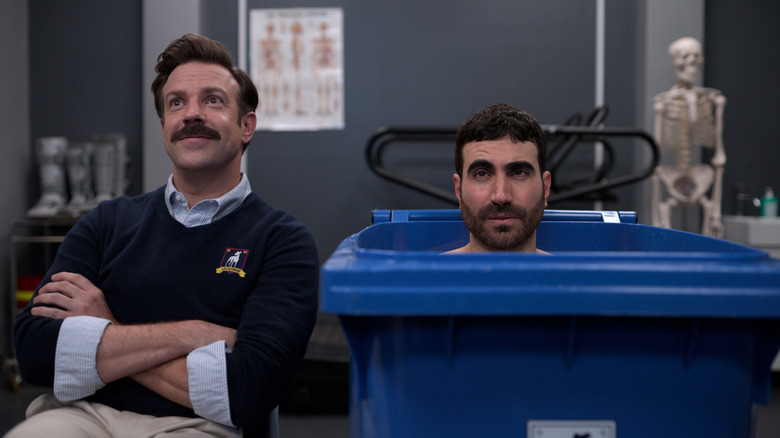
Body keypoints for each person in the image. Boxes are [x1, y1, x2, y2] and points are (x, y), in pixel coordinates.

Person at [8, 34, 319, 438]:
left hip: (198, 425)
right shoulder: (106, 222)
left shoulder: (282, 240)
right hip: (81, 414)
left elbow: (249, 388)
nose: (192, 114)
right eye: (177, 103)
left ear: (246, 126)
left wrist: (105, 329)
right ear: (164, 127)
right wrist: (196, 334)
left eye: (212, 100)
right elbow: (35, 351)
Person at [446, 103, 551, 253]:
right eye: (482, 174)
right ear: (458, 190)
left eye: (519, 173)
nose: (501, 196)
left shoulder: (578, 277)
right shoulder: (419, 276)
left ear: (546, 188)